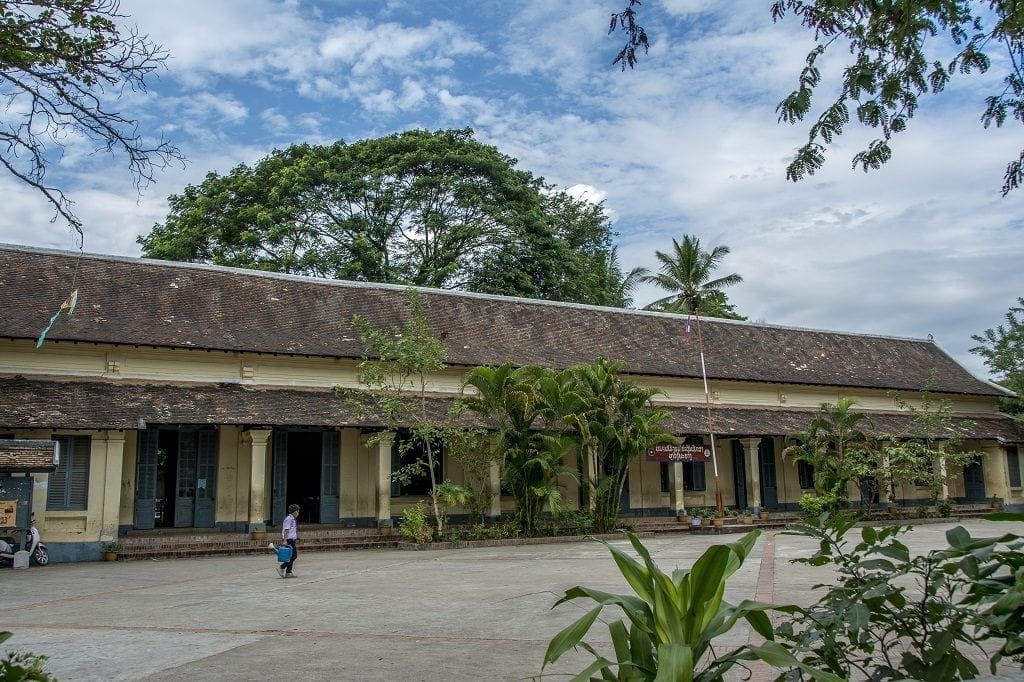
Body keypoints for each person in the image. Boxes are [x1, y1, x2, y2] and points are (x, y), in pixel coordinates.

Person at [278, 504, 299, 578]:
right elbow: (286, 530)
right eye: (297, 511)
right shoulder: (289, 519)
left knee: (291, 556)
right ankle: (282, 567)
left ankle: (288, 572)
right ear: (295, 512)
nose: (298, 513)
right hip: (289, 540)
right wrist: (285, 540)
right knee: (293, 556)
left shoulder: (292, 519)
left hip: (292, 540)